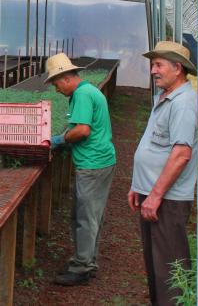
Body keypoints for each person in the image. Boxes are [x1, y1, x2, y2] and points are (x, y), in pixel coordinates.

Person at [128, 41, 197, 306]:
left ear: (177, 68)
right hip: (153, 193)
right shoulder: (165, 98)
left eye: (158, 65)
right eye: (152, 65)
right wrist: (138, 185)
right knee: (157, 266)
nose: (153, 70)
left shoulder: (183, 104)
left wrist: (155, 196)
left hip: (167, 199)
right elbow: (154, 146)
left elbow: (181, 154)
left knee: (170, 268)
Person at [45, 52, 116, 286]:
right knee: (88, 215)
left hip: (93, 164)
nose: (56, 89)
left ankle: (81, 267)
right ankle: (87, 261)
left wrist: (61, 139)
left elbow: (83, 130)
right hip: (98, 162)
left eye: (55, 83)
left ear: (66, 77)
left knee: (85, 217)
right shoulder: (88, 91)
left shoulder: (82, 95)